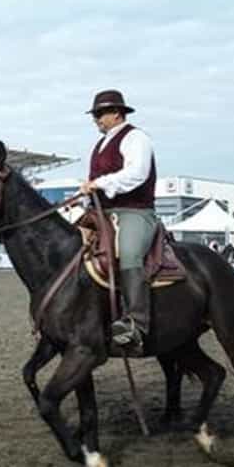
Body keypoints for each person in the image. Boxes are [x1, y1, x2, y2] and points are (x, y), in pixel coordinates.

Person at [77, 89, 157, 355]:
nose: (96, 119)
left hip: (133, 212)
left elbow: (137, 173)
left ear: (117, 113)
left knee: (130, 252)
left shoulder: (136, 137)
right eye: (95, 114)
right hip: (102, 212)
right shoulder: (100, 145)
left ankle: (136, 323)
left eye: (100, 114)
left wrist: (99, 183)